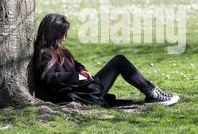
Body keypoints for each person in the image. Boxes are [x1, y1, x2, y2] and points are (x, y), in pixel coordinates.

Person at [33, 13, 179, 107]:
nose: (65, 38)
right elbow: (49, 78)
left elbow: (75, 64)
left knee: (119, 60)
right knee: (119, 61)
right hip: (82, 94)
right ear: (53, 33)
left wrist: (82, 70)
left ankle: (152, 92)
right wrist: (78, 76)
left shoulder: (60, 50)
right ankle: (153, 94)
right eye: (62, 34)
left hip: (87, 88)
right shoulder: (44, 53)